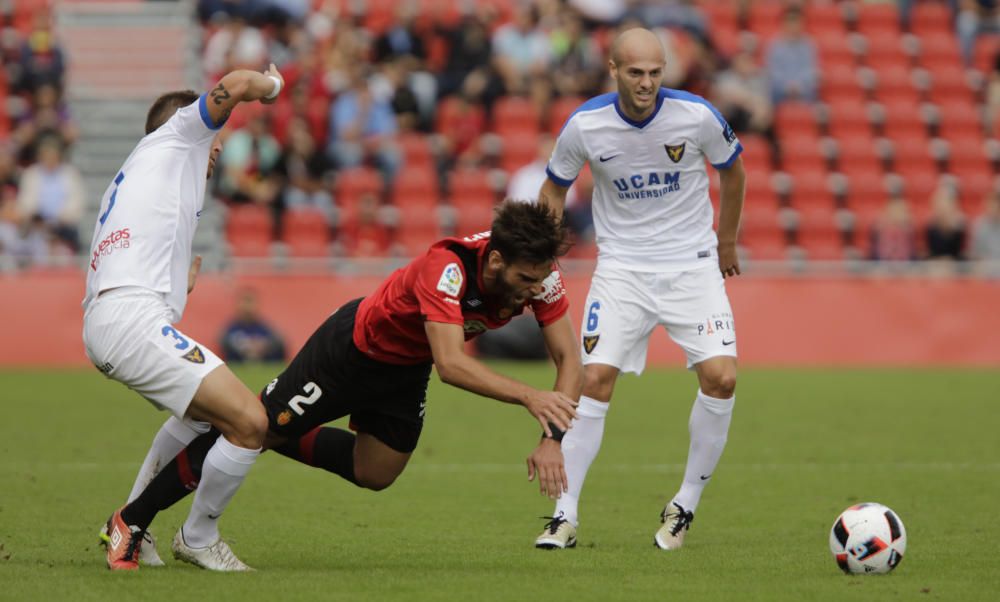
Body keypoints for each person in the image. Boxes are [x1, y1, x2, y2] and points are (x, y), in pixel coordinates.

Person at [107, 200, 582, 565]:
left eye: (539, 278)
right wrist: (528, 395)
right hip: (351, 353)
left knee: (375, 472)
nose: (533, 288)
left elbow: (568, 359)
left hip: (404, 369)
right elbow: (452, 365)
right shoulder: (448, 269)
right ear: (496, 261)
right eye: (525, 278)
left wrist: (552, 439)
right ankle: (132, 521)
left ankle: (259, 422)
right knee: (253, 428)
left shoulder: (540, 275)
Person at [533, 28, 745, 551]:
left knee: (722, 378)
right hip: (622, 269)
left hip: (692, 267)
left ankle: (685, 504)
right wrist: (540, 254)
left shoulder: (696, 115)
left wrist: (727, 240)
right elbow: (553, 187)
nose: (647, 82)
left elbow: (733, 173)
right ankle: (565, 517)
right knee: (594, 380)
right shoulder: (586, 125)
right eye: (635, 73)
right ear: (613, 70)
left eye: (655, 72)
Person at [83, 64, 286, 572]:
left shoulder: (142, 177)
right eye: (213, 137)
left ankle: (129, 527)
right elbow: (237, 84)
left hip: (115, 320)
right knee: (249, 422)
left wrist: (180, 284)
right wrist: (272, 88)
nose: (216, 147)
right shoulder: (176, 137)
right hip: (130, 320)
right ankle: (195, 537)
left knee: (200, 416)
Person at [219, 288, 286, 363]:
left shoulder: (265, 328)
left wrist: (264, 347)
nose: (247, 306)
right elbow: (223, 342)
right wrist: (244, 348)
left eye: (250, 301)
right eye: (244, 301)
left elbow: (280, 342)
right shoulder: (231, 329)